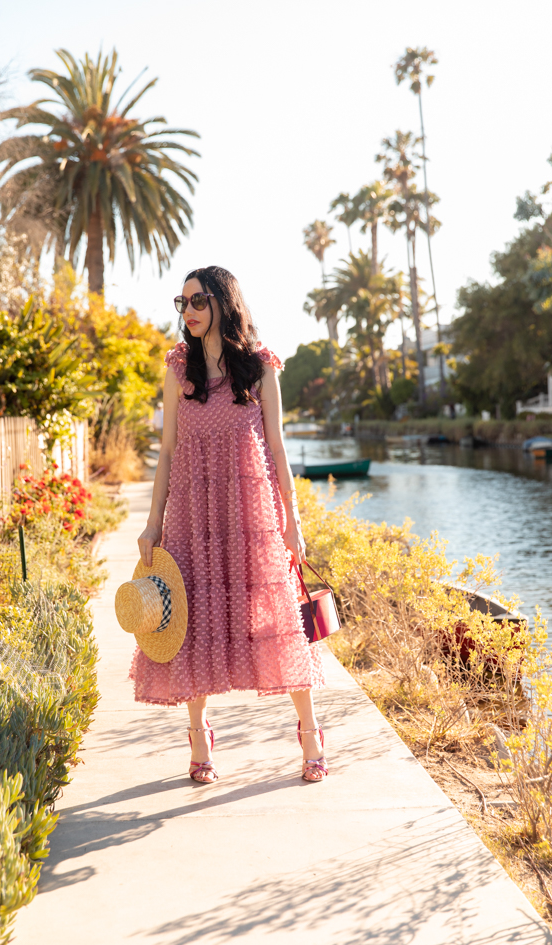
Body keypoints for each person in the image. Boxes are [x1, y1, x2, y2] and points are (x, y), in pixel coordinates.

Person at [133, 265, 327, 784]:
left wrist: (293, 521)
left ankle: (310, 734)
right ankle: (199, 740)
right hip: (193, 518)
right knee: (190, 623)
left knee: (278, 621)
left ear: (224, 301)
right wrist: (153, 524)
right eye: (183, 303)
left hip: (251, 515)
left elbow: (279, 450)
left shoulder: (260, 367)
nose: (189, 312)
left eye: (198, 301)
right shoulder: (178, 369)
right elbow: (167, 452)